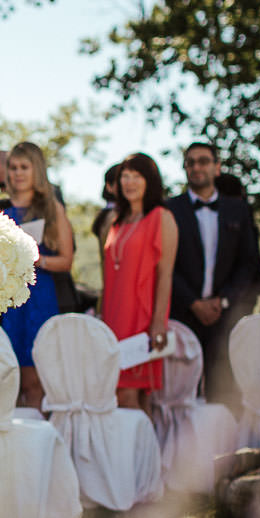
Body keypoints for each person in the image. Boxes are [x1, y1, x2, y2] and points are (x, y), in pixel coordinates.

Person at [166, 142, 260, 405]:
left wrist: (223, 301)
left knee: (226, 390)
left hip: (225, 315)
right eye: (191, 162)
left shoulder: (238, 210)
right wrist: (193, 303)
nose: (197, 167)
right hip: (183, 315)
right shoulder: (169, 210)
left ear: (217, 167)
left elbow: (248, 263)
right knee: (183, 394)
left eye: (203, 161)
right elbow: (165, 265)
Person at [0, 142, 74, 410]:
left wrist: (37, 259)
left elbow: (66, 260)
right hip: (3, 300)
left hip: (38, 299)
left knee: (34, 380)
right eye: (13, 167)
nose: (18, 173)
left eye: (24, 167)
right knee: (5, 379)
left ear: (36, 170)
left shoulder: (52, 208)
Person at [100, 153, 178, 412]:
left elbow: (166, 273)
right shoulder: (116, 221)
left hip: (140, 318)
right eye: (125, 176)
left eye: (136, 176)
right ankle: (134, 452)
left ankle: (137, 453)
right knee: (117, 396)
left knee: (130, 397)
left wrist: (158, 322)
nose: (129, 182)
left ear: (149, 181)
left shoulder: (161, 217)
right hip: (113, 317)